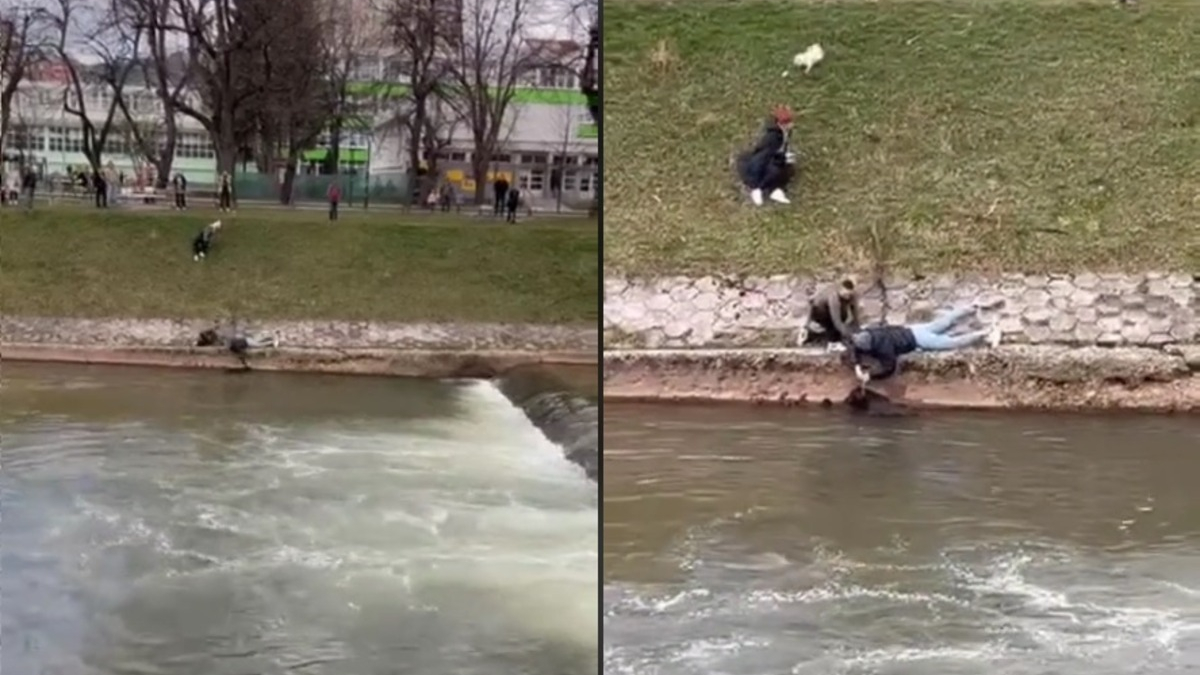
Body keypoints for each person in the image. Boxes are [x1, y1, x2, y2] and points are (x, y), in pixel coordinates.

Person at [847, 302, 1002, 383]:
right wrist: (856, 365)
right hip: (914, 329)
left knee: (953, 343)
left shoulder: (884, 347)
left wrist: (871, 377)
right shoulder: (871, 331)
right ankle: (972, 307)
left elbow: (890, 367)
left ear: (870, 347)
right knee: (944, 322)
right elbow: (854, 346)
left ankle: (986, 333)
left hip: (919, 340)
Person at [737, 105, 796, 206]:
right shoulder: (772, 137)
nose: (792, 124)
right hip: (764, 163)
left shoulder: (785, 132)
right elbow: (763, 156)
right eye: (788, 122)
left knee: (784, 169)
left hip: (774, 160)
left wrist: (784, 156)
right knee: (775, 170)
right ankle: (759, 188)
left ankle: (775, 189)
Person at [799, 277, 862, 347]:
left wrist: (858, 331)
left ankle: (835, 338)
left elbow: (856, 315)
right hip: (819, 312)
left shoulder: (853, 296)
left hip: (832, 311)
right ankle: (813, 336)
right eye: (846, 295)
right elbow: (836, 321)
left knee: (844, 316)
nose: (848, 297)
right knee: (835, 324)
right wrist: (849, 335)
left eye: (849, 295)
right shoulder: (833, 297)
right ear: (840, 290)